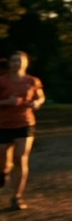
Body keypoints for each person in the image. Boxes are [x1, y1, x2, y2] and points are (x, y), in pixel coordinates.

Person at [0, 51, 45, 211]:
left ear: (25, 63)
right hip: (3, 125)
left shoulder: (32, 81)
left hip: (25, 123)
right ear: (9, 63)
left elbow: (40, 97)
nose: (16, 63)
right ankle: (4, 172)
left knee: (20, 158)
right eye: (14, 60)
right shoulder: (2, 80)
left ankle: (16, 197)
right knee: (3, 159)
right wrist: (8, 101)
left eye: (20, 61)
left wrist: (36, 103)